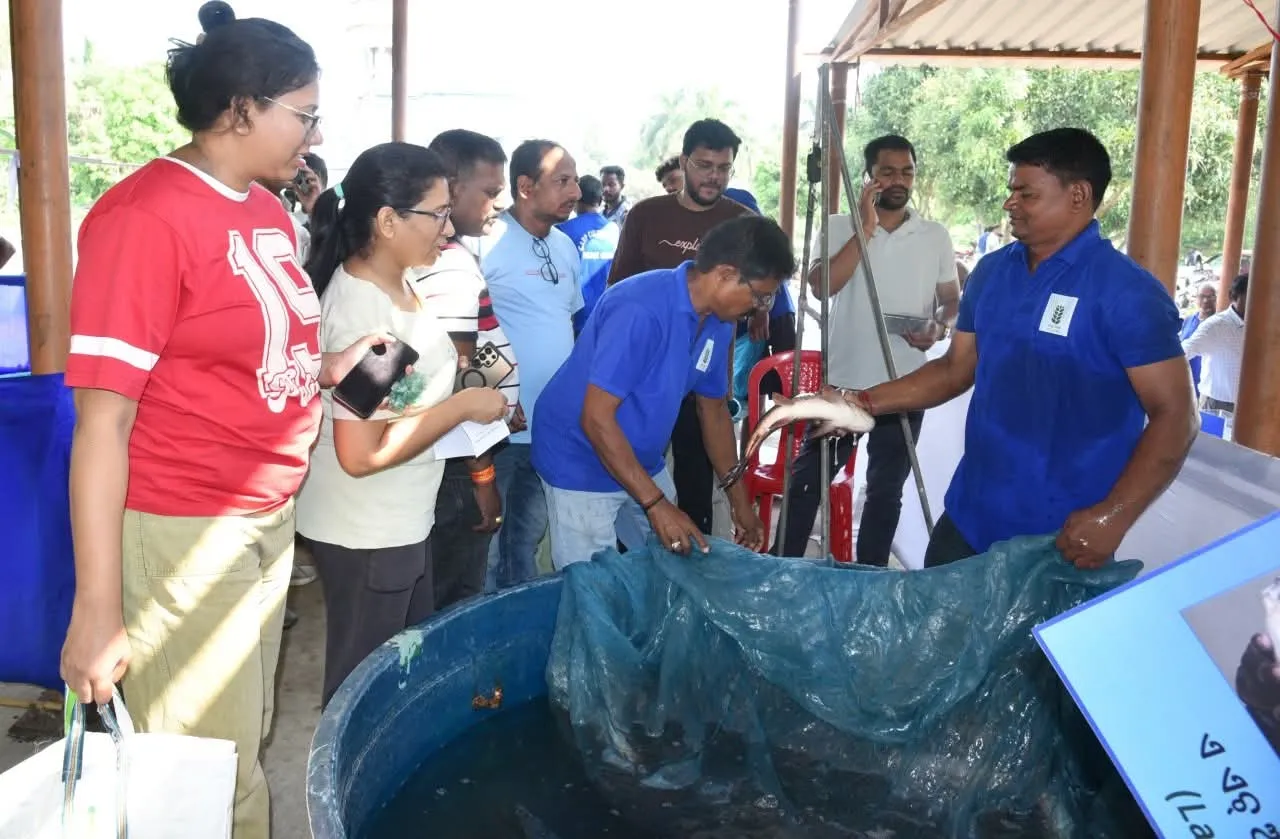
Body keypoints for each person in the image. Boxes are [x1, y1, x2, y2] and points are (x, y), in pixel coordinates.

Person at [58, 10, 383, 839]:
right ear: (242, 109)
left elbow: (241, 350)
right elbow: (101, 425)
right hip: (185, 524)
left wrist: (329, 367)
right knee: (203, 771)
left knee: (240, 737)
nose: (316, 133)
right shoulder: (145, 218)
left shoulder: (265, 211)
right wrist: (97, 607)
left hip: (264, 515)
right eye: (305, 113)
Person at [831, 127, 1196, 570]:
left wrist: (1113, 516)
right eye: (1011, 191)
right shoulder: (992, 273)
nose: (1010, 204)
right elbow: (953, 370)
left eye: (1026, 194)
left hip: (1062, 538)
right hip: (969, 518)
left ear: (1078, 195)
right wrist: (859, 402)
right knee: (935, 614)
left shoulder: (1127, 293)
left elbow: (1177, 415)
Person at [295, 143, 507, 706]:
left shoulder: (399, 283)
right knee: (361, 693)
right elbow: (360, 453)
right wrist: (461, 408)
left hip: (399, 517)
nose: (448, 228)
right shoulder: (369, 313)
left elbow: (400, 401)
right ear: (388, 221)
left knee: (398, 678)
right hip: (368, 529)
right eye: (437, 214)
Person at [532, 216, 787, 566]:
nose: (760, 308)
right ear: (725, 274)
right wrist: (656, 504)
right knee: (594, 580)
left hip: (640, 457)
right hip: (579, 457)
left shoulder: (719, 322)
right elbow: (595, 418)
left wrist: (740, 502)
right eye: (760, 296)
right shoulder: (640, 309)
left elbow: (713, 411)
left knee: (674, 560)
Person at [776, 135, 959, 566]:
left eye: (907, 171)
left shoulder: (934, 235)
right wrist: (865, 226)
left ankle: (870, 576)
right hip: (844, 383)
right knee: (808, 482)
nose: (899, 180)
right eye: (887, 172)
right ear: (867, 178)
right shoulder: (839, 225)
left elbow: (951, 300)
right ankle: (780, 567)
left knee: (885, 491)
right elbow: (822, 287)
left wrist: (939, 325)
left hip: (906, 385)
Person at [607, 119, 756, 537]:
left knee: (695, 486)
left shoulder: (743, 223)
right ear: (684, 161)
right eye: (704, 165)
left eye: (723, 168)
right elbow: (616, 293)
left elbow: (749, 303)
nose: (714, 177)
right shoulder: (646, 215)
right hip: (641, 377)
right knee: (633, 482)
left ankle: (695, 557)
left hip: (703, 379)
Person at [414, 127, 522, 609]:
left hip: (457, 446)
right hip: (460, 461)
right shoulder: (450, 266)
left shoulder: (442, 257)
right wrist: (482, 477)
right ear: (451, 189)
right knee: (454, 599)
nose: (498, 205)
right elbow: (454, 376)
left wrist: (503, 398)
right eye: (490, 192)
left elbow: (466, 354)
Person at [474, 139, 583, 587]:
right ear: (525, 186)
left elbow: (568, 324)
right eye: (563, 181)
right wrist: (500, 392)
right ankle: (483, 625)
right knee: (486, 547)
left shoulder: (566, 247)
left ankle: (516, 625)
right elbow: (467, 329)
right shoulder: (486, 242)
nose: (575, 191)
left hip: (551, 427)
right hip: (499, 428)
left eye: (575, 180)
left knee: (525, 544)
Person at [557, 174, 619, 334]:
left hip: (577, 317)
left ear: (575, 199)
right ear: (600, 200)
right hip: (609, 313)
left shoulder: (561, 232)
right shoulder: (615, 231)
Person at [1182, 274, 1245, 413]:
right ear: (1234, 296)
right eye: (1248, 296)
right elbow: (1182, 352)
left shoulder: (1259, 326)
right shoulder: (1215, 326)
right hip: (1216, 404)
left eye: (1210, 297)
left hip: (1248, 404)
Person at [1179, 283, 1217, 395]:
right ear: (1196, 298)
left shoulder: (1219, 323)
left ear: (1216, 298)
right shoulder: (1188, 320)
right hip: (1186, 380)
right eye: (1202, 296)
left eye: (1210, 297)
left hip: (1207, 384)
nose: (1205, 300)